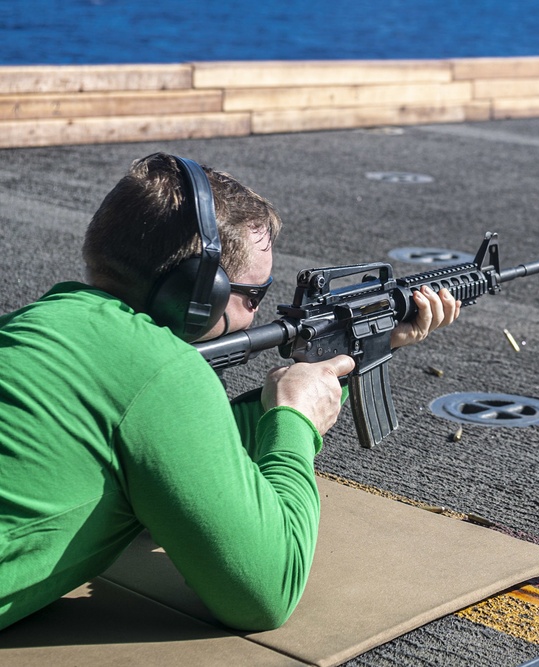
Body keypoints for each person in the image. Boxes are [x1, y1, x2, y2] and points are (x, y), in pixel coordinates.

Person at [0, 153, 460, 632]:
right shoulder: (164, 374)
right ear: (200, 293)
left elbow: (179, 445)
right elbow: (266, 593)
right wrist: (295, 424)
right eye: (254, 295)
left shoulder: (34, 325)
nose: (260, 315)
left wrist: (359, 352)